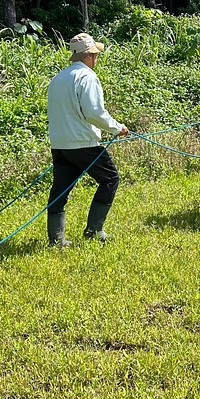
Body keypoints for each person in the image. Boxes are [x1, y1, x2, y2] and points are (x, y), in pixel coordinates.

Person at [45, 33, 129, 247]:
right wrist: (117, 128)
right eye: (96, 54)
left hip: (60, 144)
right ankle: (94, 230)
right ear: (90, 55)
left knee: (60, 189)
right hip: (83, 143)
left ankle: (57, 239)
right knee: (110, 179)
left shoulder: (58, 79)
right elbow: (94, 113)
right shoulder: (87, 77)